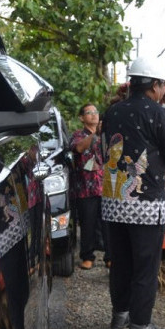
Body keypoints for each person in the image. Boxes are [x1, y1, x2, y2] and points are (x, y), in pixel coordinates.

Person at [100, 56, 165, 329]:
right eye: (163, 86)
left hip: (114, 199)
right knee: (145, 267)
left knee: (121, 261)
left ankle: (119, 316)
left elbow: (104, 151)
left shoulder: (111, 112)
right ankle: (140, 328)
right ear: (155, 85)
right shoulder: (156, 113)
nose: (164, 92)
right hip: (146, 204)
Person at [71, 103, 109, 270]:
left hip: (106, 187)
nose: (94, 115)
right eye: (89, 112)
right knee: (87, 224)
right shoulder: (78, 135)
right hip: (85, 187)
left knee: (109, 224)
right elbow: (78, 148)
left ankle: (111, 257)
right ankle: (87, 256)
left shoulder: (106, 135)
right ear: (82, 118)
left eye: (96, 112)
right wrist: (94, 136)